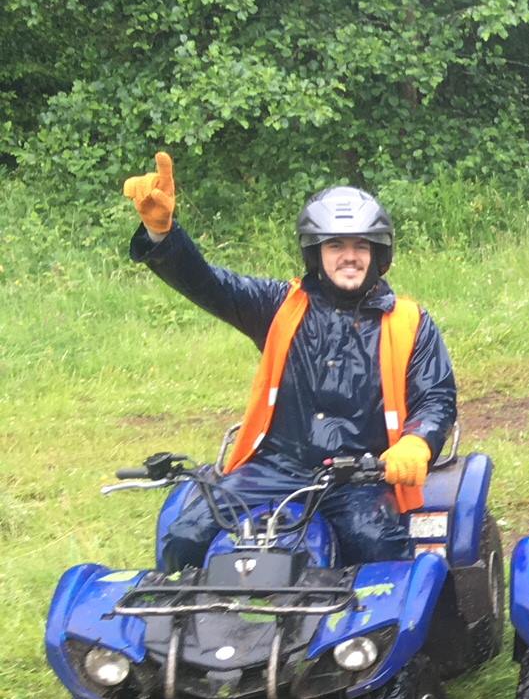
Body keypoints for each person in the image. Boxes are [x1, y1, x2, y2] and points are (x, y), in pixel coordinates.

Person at [120, 152, 456, 572]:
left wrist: (417, 441)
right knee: (186, 536)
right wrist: (162, 235)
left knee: (376, 545)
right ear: (316, 253)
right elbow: (209, 284)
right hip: (274, 466)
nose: (348, 256)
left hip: (360, 477)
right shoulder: (278, 306)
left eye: (359, 245)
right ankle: (182, 630)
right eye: (335, 245)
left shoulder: (410, 322)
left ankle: (373, 639)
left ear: (378, 253)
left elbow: (436, 397)